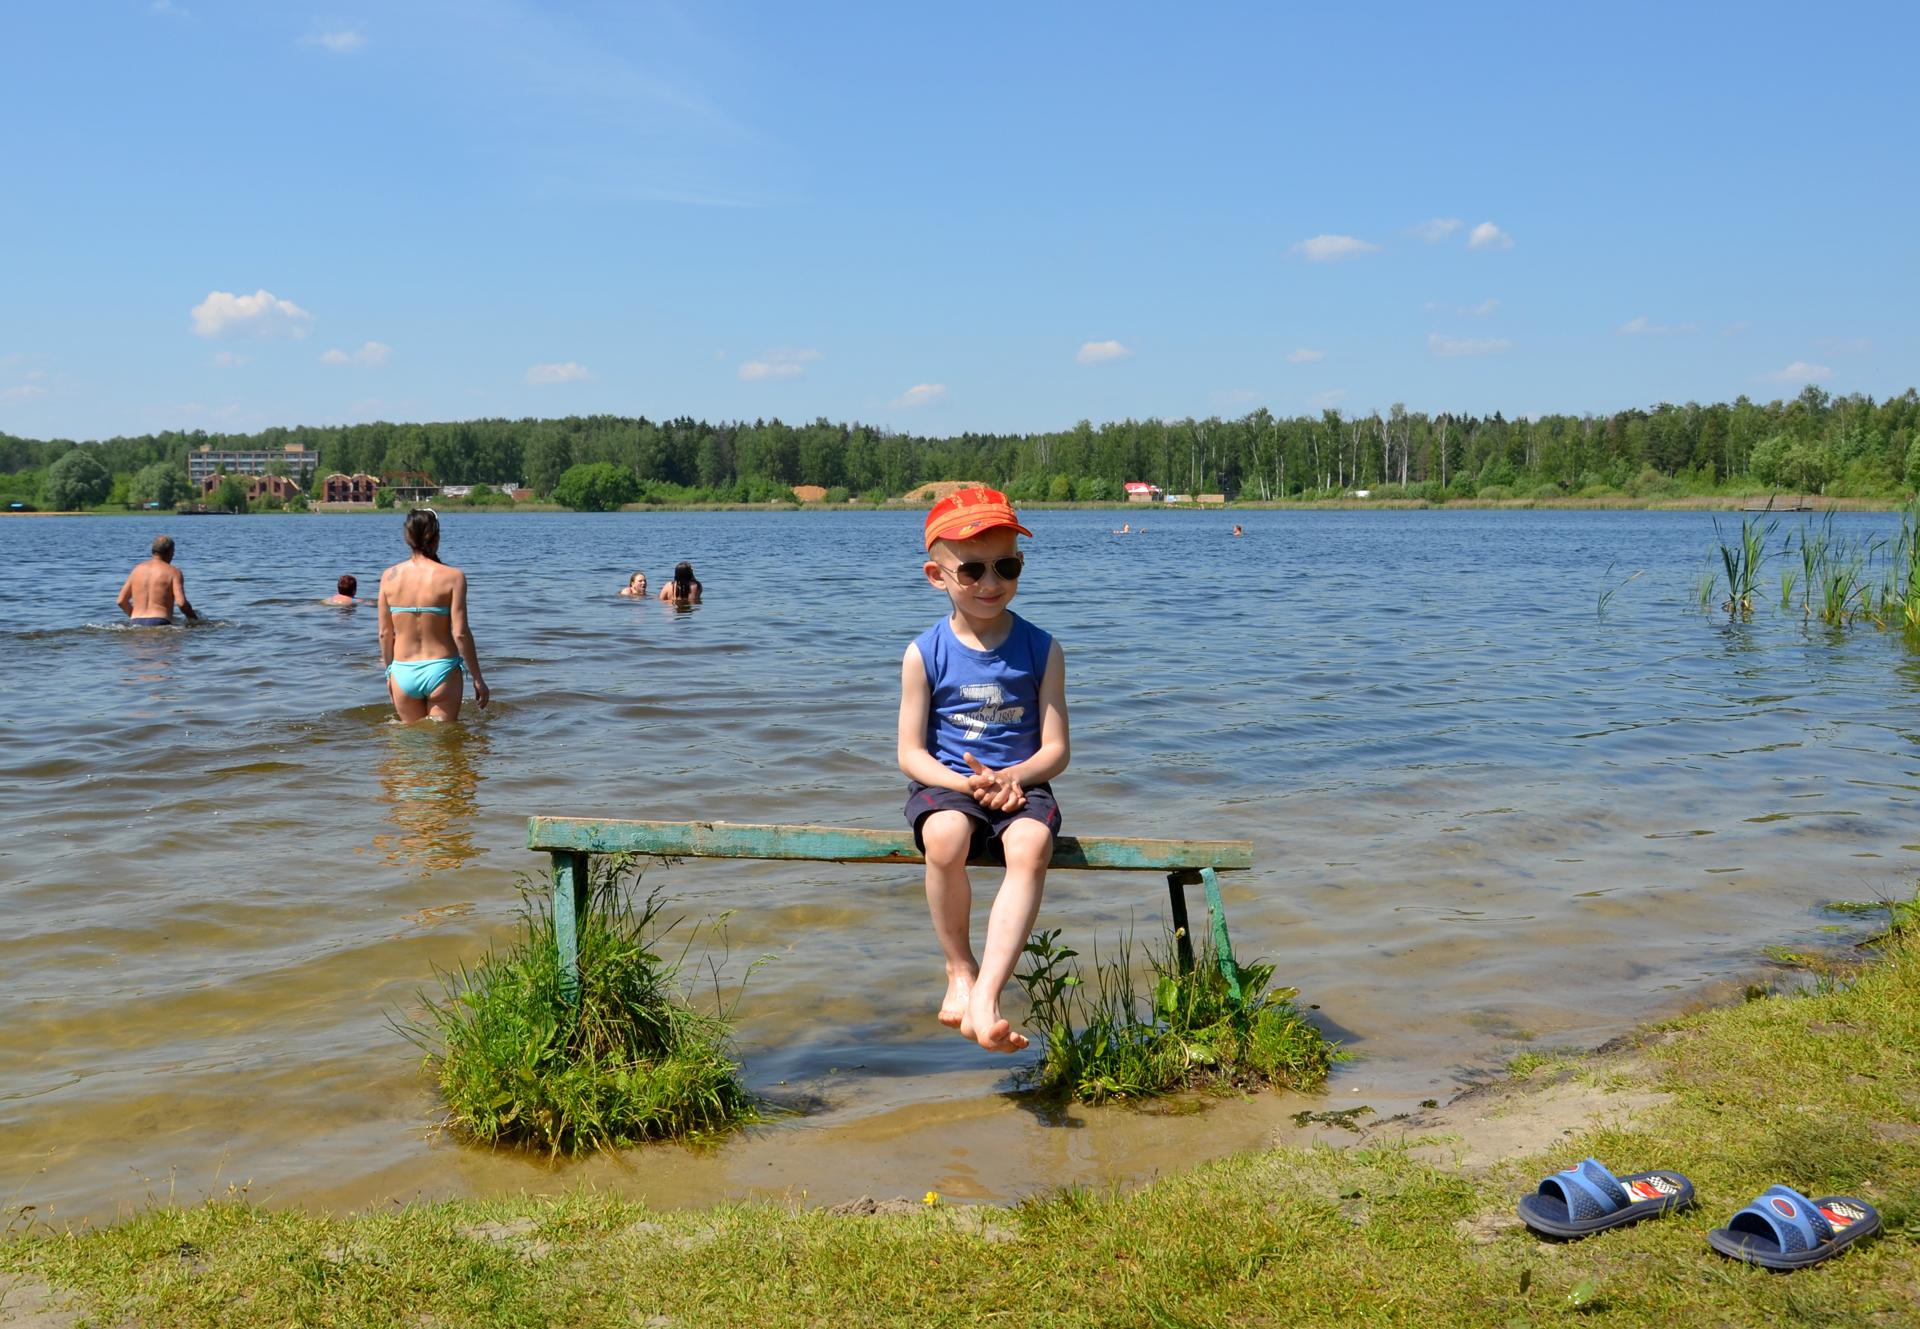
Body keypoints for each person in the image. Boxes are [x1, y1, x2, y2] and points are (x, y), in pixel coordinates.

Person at [897, 487, 1069, 1053]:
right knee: (944, 838)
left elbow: (1056, 749)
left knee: (1029, 848)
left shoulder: (1042, 648)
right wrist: (966, 783)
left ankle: (988, 997)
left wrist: (1013, 777)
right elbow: (911, 755)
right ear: (936, 575)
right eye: (971, 570)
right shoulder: (925, 653)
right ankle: (959, 970)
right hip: (950, 785)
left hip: (1023, 784)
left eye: (1007, 566)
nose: (991, 583)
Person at [377, 509, 490, 722]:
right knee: (445, 744)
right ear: (436, 537)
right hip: (442, 669)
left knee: (410, 746)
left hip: (403, 672)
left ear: (407, 537)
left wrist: (389, 673)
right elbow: (460, 633)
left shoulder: (388, 577)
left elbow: (384, 633)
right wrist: (478, 678)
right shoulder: (453, 577)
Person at [116, 534, 198, 626]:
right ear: (170, 552)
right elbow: (181, 603)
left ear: (153, 551)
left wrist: (134, 617)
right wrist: (195, 620)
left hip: (135, 622)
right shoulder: (174, 572)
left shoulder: (137, 570)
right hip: (160, 621)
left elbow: (121, 601)